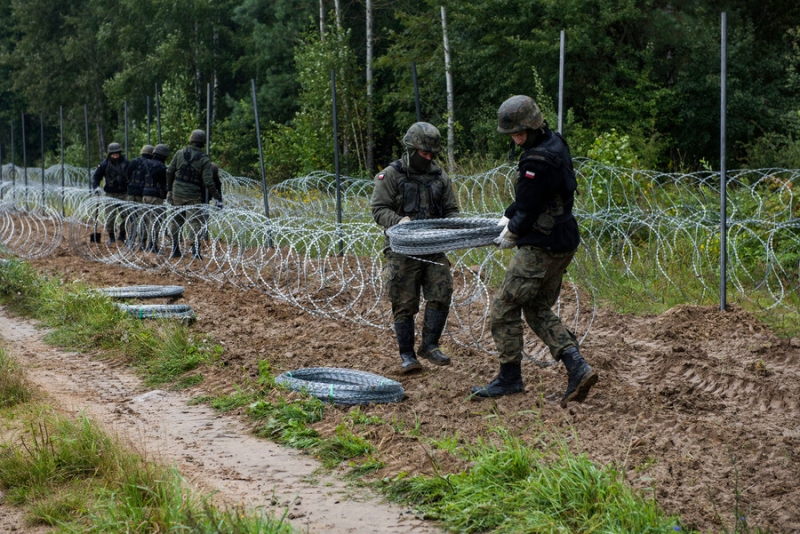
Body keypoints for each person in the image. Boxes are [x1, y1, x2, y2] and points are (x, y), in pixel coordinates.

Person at [471, 95, 598, 407]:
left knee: (504, 308)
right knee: (537, 308)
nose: (515, 138)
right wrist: (508, 213)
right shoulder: (555, 142)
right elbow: (536, 197)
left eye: (518, 133)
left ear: (531, 126)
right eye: (512, 134)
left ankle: (510, 377)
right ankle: (577, 366)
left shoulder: (535, 161)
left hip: (541, 245)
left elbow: (528, 208)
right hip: (564, 239)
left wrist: (511, 232)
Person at [371, 122, 460, 374]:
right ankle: (407, 355)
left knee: (442, 292)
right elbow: (379, 209)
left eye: (432, 153)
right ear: (411, 149)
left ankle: (430, 345)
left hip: (433, 247)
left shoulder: (440, 177)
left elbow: (451, 209)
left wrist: (454, 226)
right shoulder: (391, 175)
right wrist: (399, 222)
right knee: (404, 301)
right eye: (424, 153)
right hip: (402, 250)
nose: (429, 157)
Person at [165, 129, 221, 259]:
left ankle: (175, 249)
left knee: (176, 221)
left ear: (191, 139)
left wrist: (169, 189)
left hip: (177, 193)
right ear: (203, 142)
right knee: (195, 222)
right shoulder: (204, 159)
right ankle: (195, 251)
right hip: (193, 195)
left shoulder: (179, 153)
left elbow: (169, 171)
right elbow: (208, 181)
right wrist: (216, 196)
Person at [91, 142, 129, 245]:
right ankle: (111, 237)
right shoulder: (104, 164)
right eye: (113, 154)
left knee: (127, 216)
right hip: (110, 194)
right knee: (110, 217)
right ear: (110, 154)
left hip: (124, 194)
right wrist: (96, 187)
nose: (115, 156)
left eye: (117, 154)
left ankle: (122, 234)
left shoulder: (126, 163)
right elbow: (96, 177)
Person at [124, 144, 154, 249]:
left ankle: (130, 241)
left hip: (131, 193)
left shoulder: (133, 162)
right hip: (143, 194)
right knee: (143, 219)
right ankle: (142, 242)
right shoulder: (150, 164)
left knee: (132, 218)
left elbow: (127, 175)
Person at [141, 143, 169, 253]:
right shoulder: (161, 167)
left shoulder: (146, 163)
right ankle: (152, 245)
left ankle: (142, 243)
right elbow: (163, 184)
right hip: (156, 196)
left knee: (145, 220)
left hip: (145, 194)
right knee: (155, 221)